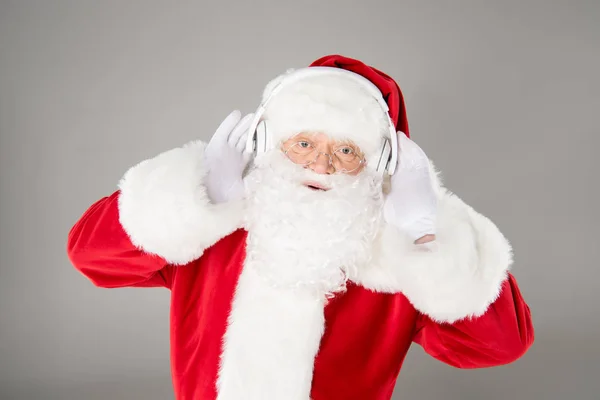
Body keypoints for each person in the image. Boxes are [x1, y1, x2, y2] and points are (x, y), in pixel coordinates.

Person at [66, 54, 534, 400]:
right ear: (267, 141)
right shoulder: (214, 226)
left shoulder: (396, 263)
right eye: (304, 142)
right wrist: (202, 191)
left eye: (347, 151)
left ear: (379, 164)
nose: (321, 165)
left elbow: (499, 345)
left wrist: (426, 233)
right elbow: (90, 256)